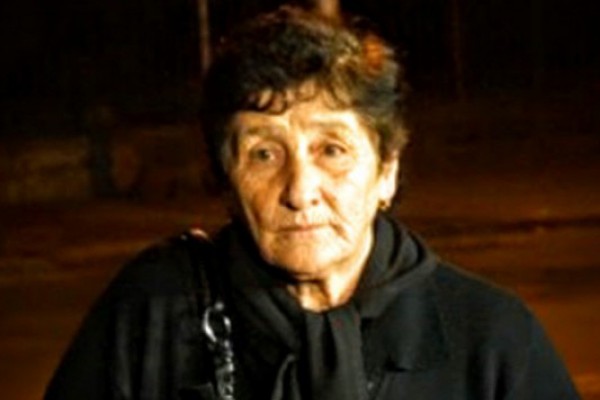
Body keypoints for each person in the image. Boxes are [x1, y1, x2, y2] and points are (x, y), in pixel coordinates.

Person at [45, 5, 581, 400]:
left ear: (386, 172)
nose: (300, 191)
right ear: (226, 180)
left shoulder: (490, 339)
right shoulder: (154, 313)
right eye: (263, 154)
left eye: (332, 150)